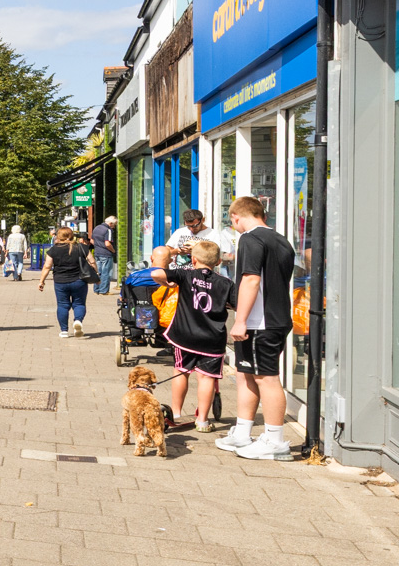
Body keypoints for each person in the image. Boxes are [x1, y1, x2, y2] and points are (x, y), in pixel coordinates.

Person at [220, 195, 297, 460]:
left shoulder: (250, 239)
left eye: (233, 222)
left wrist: (240, 320)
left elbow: (251, 280)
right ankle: (243, 433)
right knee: (246, 374)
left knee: (266, 377)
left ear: (237, 216)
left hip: (259, 321)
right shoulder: (281, 240)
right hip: (275, 317)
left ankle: (275, 441)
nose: (235, 226)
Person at [138, 238, 233, 431]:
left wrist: (168, 284)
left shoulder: (185, 275)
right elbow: (236, 303)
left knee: (181, 371)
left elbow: (156, 272)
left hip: (185, 336)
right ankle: (203, 420)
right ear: (218, 262)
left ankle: (177, 412)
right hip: (212, 339)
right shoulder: (226, 283)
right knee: (206, 378)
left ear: (194, 260)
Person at [39, 227, 92, 338]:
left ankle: (64, 331)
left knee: (62, 305)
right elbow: (92, 261)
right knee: (79, 304)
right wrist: (96, 276)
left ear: (59, 236)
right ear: (72, 235)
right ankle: (78, 321)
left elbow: (47, 266)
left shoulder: (53, 250)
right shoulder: (81, 247)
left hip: (60, 281)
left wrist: (42, 281)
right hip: (79, 281)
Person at [92, 216, 117, 294]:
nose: (114, 227)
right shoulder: (108, 230)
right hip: (106, 254)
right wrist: (113, 251)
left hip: (97, 253)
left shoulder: (96, 228)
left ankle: (96, 289)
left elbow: (92, 240)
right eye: (114, 225)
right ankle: (104, 290)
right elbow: (107, 244)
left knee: (98, 272)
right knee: (106, 272)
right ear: (110, 223)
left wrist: (98, 246)